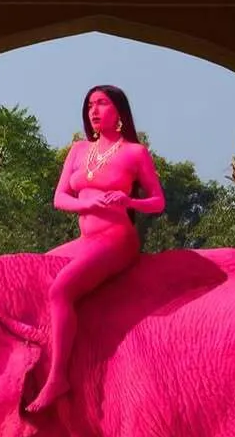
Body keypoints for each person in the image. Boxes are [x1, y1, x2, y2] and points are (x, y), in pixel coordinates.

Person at [24, 85, 166, 413]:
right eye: (90, 105)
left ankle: (58, 379)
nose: (94, 110)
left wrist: (128, 200)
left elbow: (158, 202)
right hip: (86, 239)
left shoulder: (134, 152)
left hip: (117, 239)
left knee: (61, 290)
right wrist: (86, 205)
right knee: (38, 269)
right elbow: (59, 198)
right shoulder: (78, 150)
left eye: (102, 103)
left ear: (119, 111)